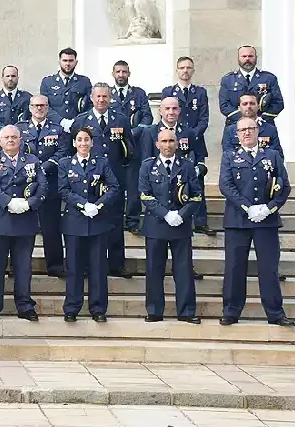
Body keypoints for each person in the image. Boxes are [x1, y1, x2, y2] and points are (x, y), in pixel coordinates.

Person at [218, 117, 294, 327]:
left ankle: (275, 313)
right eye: (242, 130)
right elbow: (226, 186)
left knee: (269, 269)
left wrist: (269, 208)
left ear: (258, 130)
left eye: (251, 128)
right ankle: (231, 311)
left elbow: (284, 186)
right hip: (238, 221)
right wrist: (247, 207)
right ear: (237, 134)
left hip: (266, 222)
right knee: (234, 268)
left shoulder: (272, 155)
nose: (247, 132)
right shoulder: (229, 156)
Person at [0, 125, 46, 321]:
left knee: (23, 267)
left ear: (20, 140)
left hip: (24, 221)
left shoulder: (32, 161)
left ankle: (25, 306)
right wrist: (8, 202)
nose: (10, 140)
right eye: (6, 137)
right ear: (0, 141)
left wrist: (29, 203)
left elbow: (43, 186)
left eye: (14, 137)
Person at [139, 128, 202, 324]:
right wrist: (165, 214)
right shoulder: (147, 166)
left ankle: (186, 311)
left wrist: (180, 215)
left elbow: (196, 196)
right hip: (156, 225)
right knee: (154, 269)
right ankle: (154, 311)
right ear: (157, 144)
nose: (168, 145)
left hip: (180, 226)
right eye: (164, 141)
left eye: (171, 141)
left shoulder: (188, 166)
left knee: (183, 271)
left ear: (177, 144)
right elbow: (145, 195)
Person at [71, 83, 134, 278]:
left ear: (110, 98)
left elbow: (129, 149)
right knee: (88, 225)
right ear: (91, 97)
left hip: (114, 180)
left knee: (115, 221)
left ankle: (116, 264)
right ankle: (87, 266)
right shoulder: (81, 120)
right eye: (98, 96)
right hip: (88, 182)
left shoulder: (121, 119)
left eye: (105, 97)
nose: (101, 100)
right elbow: (72, 150)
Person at [58, 126, 119, 322]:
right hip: (74, 222)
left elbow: (114, 187)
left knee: (98, 267)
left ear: (92, 142)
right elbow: (63, 190)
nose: (83, 143)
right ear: (74, 143)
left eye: (86, 139)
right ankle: (72, 307)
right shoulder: (65, 163)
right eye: (79, 140)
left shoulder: (101, 163)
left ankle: (98, 308)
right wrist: (83, 204)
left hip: (98, 222)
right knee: (74, 267)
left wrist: (98, 205)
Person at [141, 97, 214, 238]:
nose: (171, 112)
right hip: (160, 188)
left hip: (183, 188)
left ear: (179, 111)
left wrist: (197, 169)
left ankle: (200, 222)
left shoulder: (188, 132)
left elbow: (199, 156)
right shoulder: (150, 132)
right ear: (160, 111)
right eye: (167, 108)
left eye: (174, 108)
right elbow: (146, 160)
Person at [161, 56, 211, 234]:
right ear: (177, 70)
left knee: (197, 181)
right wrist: (176, 136)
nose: (185, 71)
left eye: (189, 68)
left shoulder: (200, 92)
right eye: (182, 67)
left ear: (193, 70)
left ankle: (200, 221)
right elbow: (167, 115)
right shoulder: (168, 91)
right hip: (172, 142)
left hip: (194, 142)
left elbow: (204, 119)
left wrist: (191, 136)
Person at [19, 95, 67, 278]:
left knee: (51, 228)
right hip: (25, 184)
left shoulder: (58, 130)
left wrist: (42, 168)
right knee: (22, 227)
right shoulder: (20, 129)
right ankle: (19, 266)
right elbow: (15, 151)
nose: (39, 109)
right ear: (30, 108)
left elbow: (62, 153)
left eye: (42, 106)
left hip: (50, 184)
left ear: (48, 107)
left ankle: (54, 266)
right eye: (36, 106)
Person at [110, 60, 153, 235]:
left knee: (133, 188)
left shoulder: (139, 93)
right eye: (118, 72)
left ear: (129, 73)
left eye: (124, 72)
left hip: (134, 147)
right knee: (115, 186)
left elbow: (148, 118)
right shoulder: (107, 94)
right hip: (113, 148)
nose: (121, 75)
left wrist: (132, 132)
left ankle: (133, 221)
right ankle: (116, 220)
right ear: (113, 73)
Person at [219, 45, 283, 123]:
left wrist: (261, 118)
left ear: (256, 58)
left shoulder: (269, 78)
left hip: (263, 124)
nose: (247, 59)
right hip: (235, 125)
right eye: (244, 56)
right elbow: (224, 105)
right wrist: (243, 119)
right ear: (238, 58)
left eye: (250, 56)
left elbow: (278, 103)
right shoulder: (228, 80)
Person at [40, 48, 92, 133]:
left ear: (76, 62)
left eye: (71, 61)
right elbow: (44, 106)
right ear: (59, 62)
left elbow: (90, 105)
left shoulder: (84, 81)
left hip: (78, 129)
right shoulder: (48, 82)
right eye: (65, 60)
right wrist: (61, 121)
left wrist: (76, 121)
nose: (67, 64)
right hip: (54, 128)